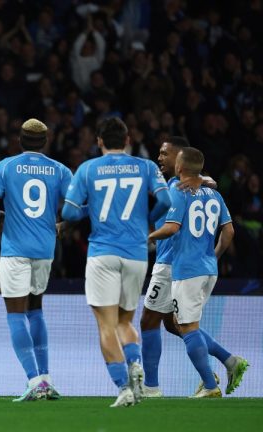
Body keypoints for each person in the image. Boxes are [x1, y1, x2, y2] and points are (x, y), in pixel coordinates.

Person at [61, 117, 171, 407]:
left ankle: (123, 386)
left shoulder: (88, 169)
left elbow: (69, 213)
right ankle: (135, 362)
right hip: (136, 253)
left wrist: (90, 209)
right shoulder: (146, 166)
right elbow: (166, 201)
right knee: (125, 321)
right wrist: (147, 221)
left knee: (106, 325)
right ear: (127, 141)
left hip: (103, 253)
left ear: (99, 141)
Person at [140, 137, 248, 397]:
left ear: (180, 159)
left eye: (165, 154)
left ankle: (153, 387)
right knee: (173, 323)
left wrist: (146, 237)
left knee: (154, 321)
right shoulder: (202, 188)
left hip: (173, 263)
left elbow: (172, 226)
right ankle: (228, 361)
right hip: (200, 264)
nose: (160, 158)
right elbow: (228, 230)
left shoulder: (178, 187)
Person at [0, 119, 71, 401]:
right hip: (45, 249)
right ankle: (46, 379)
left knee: (15, 314)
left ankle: (33, 381)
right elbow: (76, 209)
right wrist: (61, 225)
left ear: (19, 140)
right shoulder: (60, 170)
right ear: (46, 141)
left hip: (15, 250)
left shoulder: (5, 167)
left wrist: (2, 216)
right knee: (36, 310)